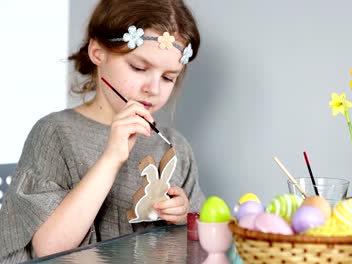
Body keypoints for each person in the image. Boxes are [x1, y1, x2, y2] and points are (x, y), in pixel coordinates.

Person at [0, 0, 205, 262]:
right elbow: (49, 249)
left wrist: (183, 214)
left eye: (168, 77)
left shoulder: (175, 147)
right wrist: (111, 159)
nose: (153, 88)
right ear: (98, 52)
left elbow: (202, 237)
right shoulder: (55, 134)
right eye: (139, 68)